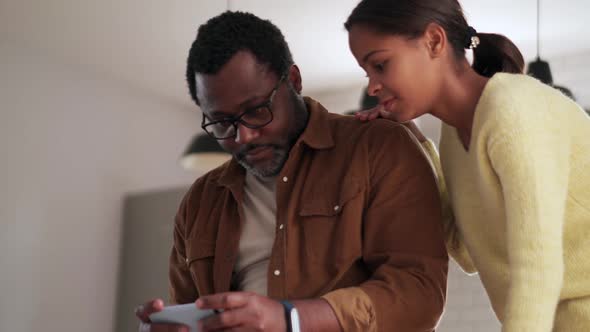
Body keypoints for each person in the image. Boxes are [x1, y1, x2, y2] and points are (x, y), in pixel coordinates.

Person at [135, 11, 449, 332]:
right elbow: (194, 311)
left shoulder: (378, 148)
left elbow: (418, 294)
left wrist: (291, 319)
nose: (243, 136)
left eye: (257, 110)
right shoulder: (200, 201)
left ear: (294, 81)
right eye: (222, 123)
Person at [345, 0, 590, 331]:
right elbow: (467, 254)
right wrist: (418, 147)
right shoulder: (454, 137)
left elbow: (539, 269)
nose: (372, 86)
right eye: (367, 72)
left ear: (434, 41)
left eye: (381, 65)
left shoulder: (513, 110)